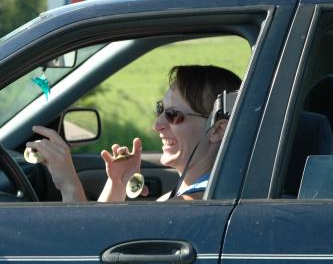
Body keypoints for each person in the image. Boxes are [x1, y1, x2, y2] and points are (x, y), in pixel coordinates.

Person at [30, 65, 241, 202]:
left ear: (218, 130)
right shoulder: (197, 192)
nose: (156, 125)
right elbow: (106, 233)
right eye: (161, 110)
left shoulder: (192, 203)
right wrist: (118, 184)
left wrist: (68, 184)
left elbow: (88, 246)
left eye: (172, 114)